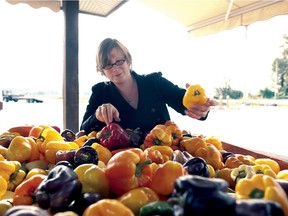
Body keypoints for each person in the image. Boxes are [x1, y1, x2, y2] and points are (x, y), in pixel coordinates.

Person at [80, 38, 217, 136]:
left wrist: (200, 105)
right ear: (102, 70)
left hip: (163, 157)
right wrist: (98, 115)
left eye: (119, 61)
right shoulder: (99, 92)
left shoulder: (154, 82)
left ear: (128, 60)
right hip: (123, 164)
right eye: (108, 64)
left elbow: (182, 100)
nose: (115, 68)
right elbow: (83, 130)